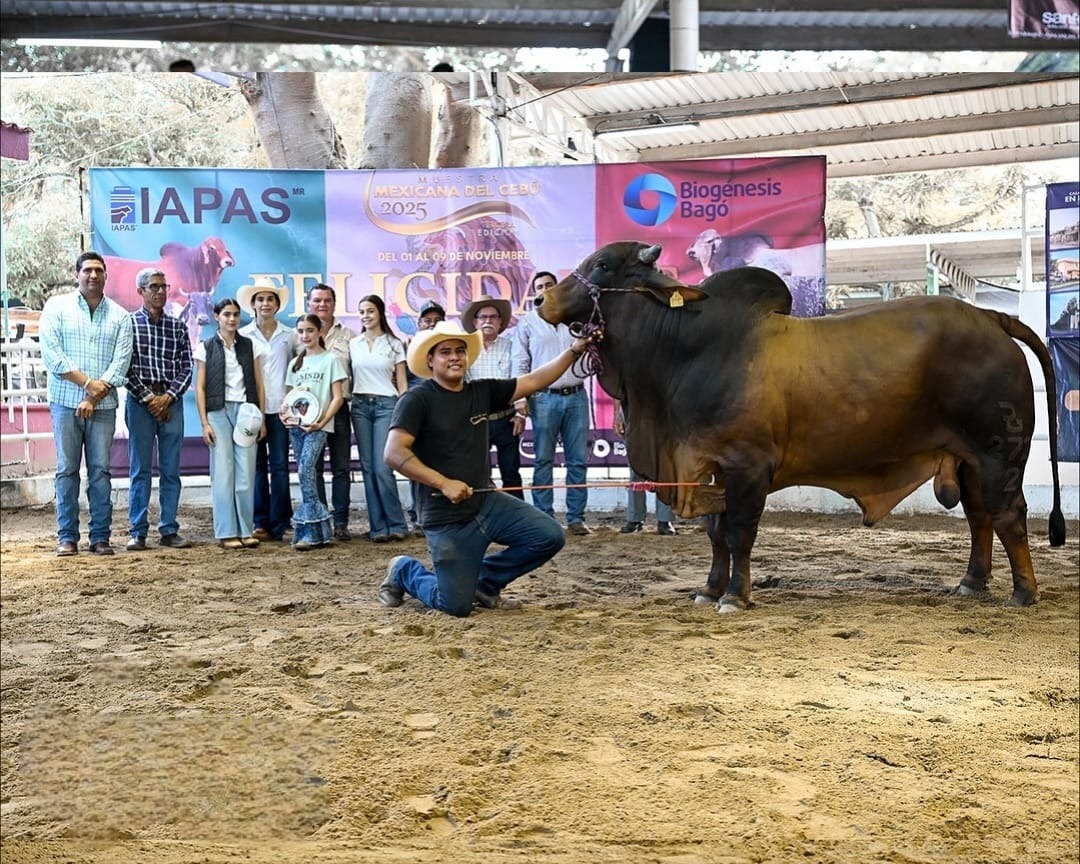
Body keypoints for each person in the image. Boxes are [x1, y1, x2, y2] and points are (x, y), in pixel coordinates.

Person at [379, 320, 600, 617]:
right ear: (430, 360)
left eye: (460, 350)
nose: (455, 357)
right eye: (445, 352)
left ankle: (486, 582)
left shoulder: (481, 392)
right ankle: (404, 570)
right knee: (455, 606)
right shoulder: (417, 399)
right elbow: (393, 453)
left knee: (549, 535)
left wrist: (573, 351)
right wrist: (444, 483)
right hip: (445, 516)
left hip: (486, 502)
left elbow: (535, 380)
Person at [39, 251, 134, 556]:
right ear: (76, 274)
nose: (93, 275)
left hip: (103, 408)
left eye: (98, 270)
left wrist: (94, 396)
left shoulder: (120, 316)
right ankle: (67, 537)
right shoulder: (57, 308)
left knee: (100, 472)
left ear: (106, 275)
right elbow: (53, 356)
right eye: (87, 270)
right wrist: (87, 386)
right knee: (67, 470)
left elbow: (120, 364)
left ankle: (100, 538)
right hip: (65, 404)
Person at [512, 270, 592, 535]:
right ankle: (543, 517)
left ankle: (576, 518)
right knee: (543, 460)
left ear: (557, 289)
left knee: (578, 461)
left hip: (576, 395)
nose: (544, 289)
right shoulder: (528, 323)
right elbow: (520, 363)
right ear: (534, 292)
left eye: (549, 285)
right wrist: (520, 400)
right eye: (539, 286)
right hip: (544, 397)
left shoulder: (577, 319)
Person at [123, 267, 194, 551]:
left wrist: (167, 398)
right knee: (140, 469)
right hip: (141, 404)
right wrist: (150, 399)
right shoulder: (127, 325)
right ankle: (138, 531)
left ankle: (168, 528)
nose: (160, 292)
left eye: (163, 286)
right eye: (154, 287)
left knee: (170, 469)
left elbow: (187, 367)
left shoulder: (177, 326)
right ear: (140, 291)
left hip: (171, 403)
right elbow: (124, 367)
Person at [194, 297, 266, 549]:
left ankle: (246, 530)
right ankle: (226, 532)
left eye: (235, 314)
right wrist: (204, 423)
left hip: (246, 412)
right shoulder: (206, 347)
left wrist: (262, 417)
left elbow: (258, 384)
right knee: (223, 473)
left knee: (246, 472)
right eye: (227, 314)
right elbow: (200, 387)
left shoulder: (250, 346)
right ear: (217, 316)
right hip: (217, 411)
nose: (232, 319)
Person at [281, 314, 348, 550]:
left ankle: (310, 528)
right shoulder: (295, 363)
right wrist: (286, 415)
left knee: (305, 468)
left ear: (319, 331)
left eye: (309, 330)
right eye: (300, 331)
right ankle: (318, 531)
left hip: (318, 426)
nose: (305, 335)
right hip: (298, 427)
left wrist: (323, 422)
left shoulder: (331, 360)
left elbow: (338, 396)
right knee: (305, 474)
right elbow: (290, 398)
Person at [349, 294, 409, 542]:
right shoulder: (354, 344)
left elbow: (403, 384)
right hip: (360, 405)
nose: (366, 316)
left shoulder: (395, 344)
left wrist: (404, 413)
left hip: (387, 405)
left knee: (383, 467)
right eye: (362, 311)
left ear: (380, 313)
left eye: (370, 311)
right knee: (367, 468)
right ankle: (378, 527)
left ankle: (397, 523)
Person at [239, 278, 295, 542]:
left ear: (277, 304)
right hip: (252, 410)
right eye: (260, 299)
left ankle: (282, 522)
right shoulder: (244, 336)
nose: (265, 304)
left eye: (270, 299)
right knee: (257, 467)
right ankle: (260, 521)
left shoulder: (290, 335)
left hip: (282, 410)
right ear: (253, 304)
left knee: (281, 466)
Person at [306, 283, 356, 540]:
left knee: (340, 468)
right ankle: (321, 518)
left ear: (334, 304)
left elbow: (356, 372)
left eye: (327, 300)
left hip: (340, 409)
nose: (322, 304)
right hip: (311, 412)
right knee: (313, 468)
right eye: (317, 300)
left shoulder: (349, 336)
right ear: (309, 304)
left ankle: (341, 523)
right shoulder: (300, 335)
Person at [462, 296, 524, 499]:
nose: (488, 321)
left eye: (493, 317)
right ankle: (483, 519)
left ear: (500, 322)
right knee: (478, 475)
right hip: (476, 421)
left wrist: (521, 414)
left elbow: (520, 377)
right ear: (475, 322)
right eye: (483, 317)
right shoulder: (465, 349)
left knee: (511, 474)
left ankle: (518, 523)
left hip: (508, 419)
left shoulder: (512, 346)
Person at [403, 299, 446, 533]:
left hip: (444, 415)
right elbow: (400, 382)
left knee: (440, 464)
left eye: (437, 320)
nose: (432, 324)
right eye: (427, 320)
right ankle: (417, 514)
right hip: (417, 415)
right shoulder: (408, 348)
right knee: (416, 465)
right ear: (419, 323)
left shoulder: (449, 348)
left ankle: (437, 512)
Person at [613, 400, 676, 536]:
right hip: (632, 408)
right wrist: (617, 413)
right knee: (636, 465)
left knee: (664, 465)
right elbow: (618, 387)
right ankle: (635, 518)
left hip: (662, 407)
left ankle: (665, 520)